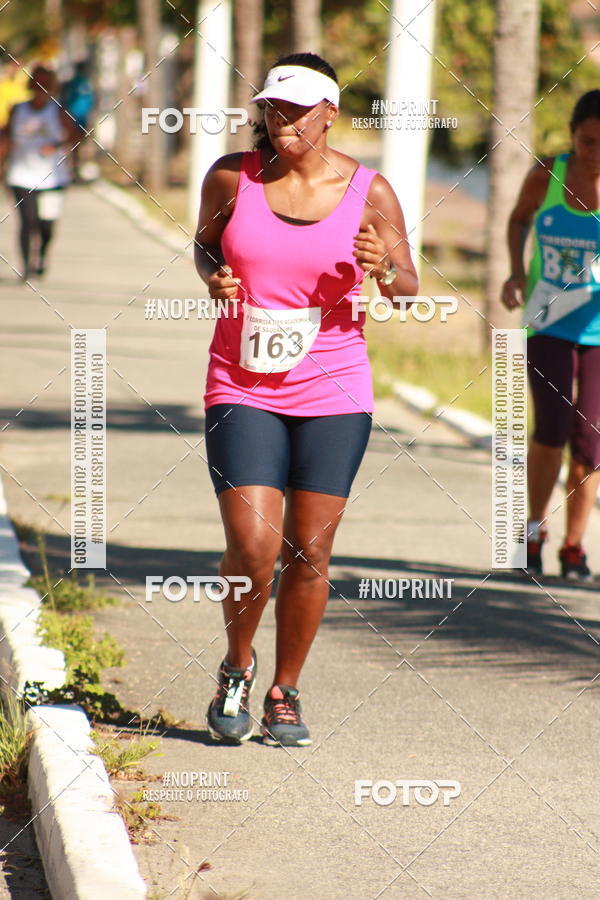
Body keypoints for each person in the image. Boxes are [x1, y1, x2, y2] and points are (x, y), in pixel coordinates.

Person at [194, 52, 417, 747]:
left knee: (310, 553)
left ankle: (284, 690)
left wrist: (386, 270)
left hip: (334, 388)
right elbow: (204, 245)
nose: (281, 121)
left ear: (329, 113)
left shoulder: (370, 191)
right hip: (242, 383)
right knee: (253, 545)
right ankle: (237, 664)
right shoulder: (232, 177)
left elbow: (407, 284)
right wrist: (215, 277)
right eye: (272, 108)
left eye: (296, 110)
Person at [502, 89, 600, 581]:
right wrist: (516, 273)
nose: (596, 154)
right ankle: (532, 532)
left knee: (590, 440)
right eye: (588, 143)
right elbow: (519, 219)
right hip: (548, 318)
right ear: (573, 137)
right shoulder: (548, 175)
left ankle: (575, 547)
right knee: (553, 427)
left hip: (599, 329)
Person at [0, 65, 79, 280]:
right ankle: (26, 267)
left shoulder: (58, 111)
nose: (41, 87)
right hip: (20, 175)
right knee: (28, 222)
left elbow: (75, 136)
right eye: (37, 82)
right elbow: (5, 137)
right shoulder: (18, 109)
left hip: (53, 177)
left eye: (46, 83)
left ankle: (42, 254)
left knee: (46, 225)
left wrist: (55, 146)